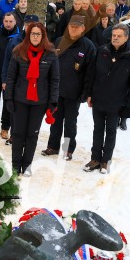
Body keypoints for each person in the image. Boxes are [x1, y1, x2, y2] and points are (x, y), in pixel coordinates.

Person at [83, 23, 130, 174]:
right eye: (114, 35)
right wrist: (89, 94)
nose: (115, 38)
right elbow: (92, 74)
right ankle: (95, 158)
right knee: (97, 130)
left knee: (111, 131)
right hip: (99, 98)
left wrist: (129, 104)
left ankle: (105, 161)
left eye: (119, 36)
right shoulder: (102, 50)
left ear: (126, 37)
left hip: (117, 101)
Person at [4, 21, 59, 176]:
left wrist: (52, 101)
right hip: (19, 100)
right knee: (18, 133)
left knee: (32, 134)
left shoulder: (51, 54)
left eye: (38, 34)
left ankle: (27, 165)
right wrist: (8, 98)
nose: (35, 37)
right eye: (33, 34)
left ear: (43, 36)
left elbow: (55, 79)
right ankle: (16, 165)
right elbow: (11, 77)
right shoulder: (18, 51)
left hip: (39, 101)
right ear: (28, 35)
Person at [41, 16, 96, 161]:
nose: (74, 29)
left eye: (77, 27)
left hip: (74, 93)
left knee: (70, 123)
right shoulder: (59, 41)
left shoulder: (88, 46)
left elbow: (90, 73)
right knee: (55, 120)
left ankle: (68, 149)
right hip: (57, 91)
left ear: (83, 28)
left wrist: (85, 93)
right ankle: (53, 146)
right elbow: (50, 64)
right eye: (72, 26)